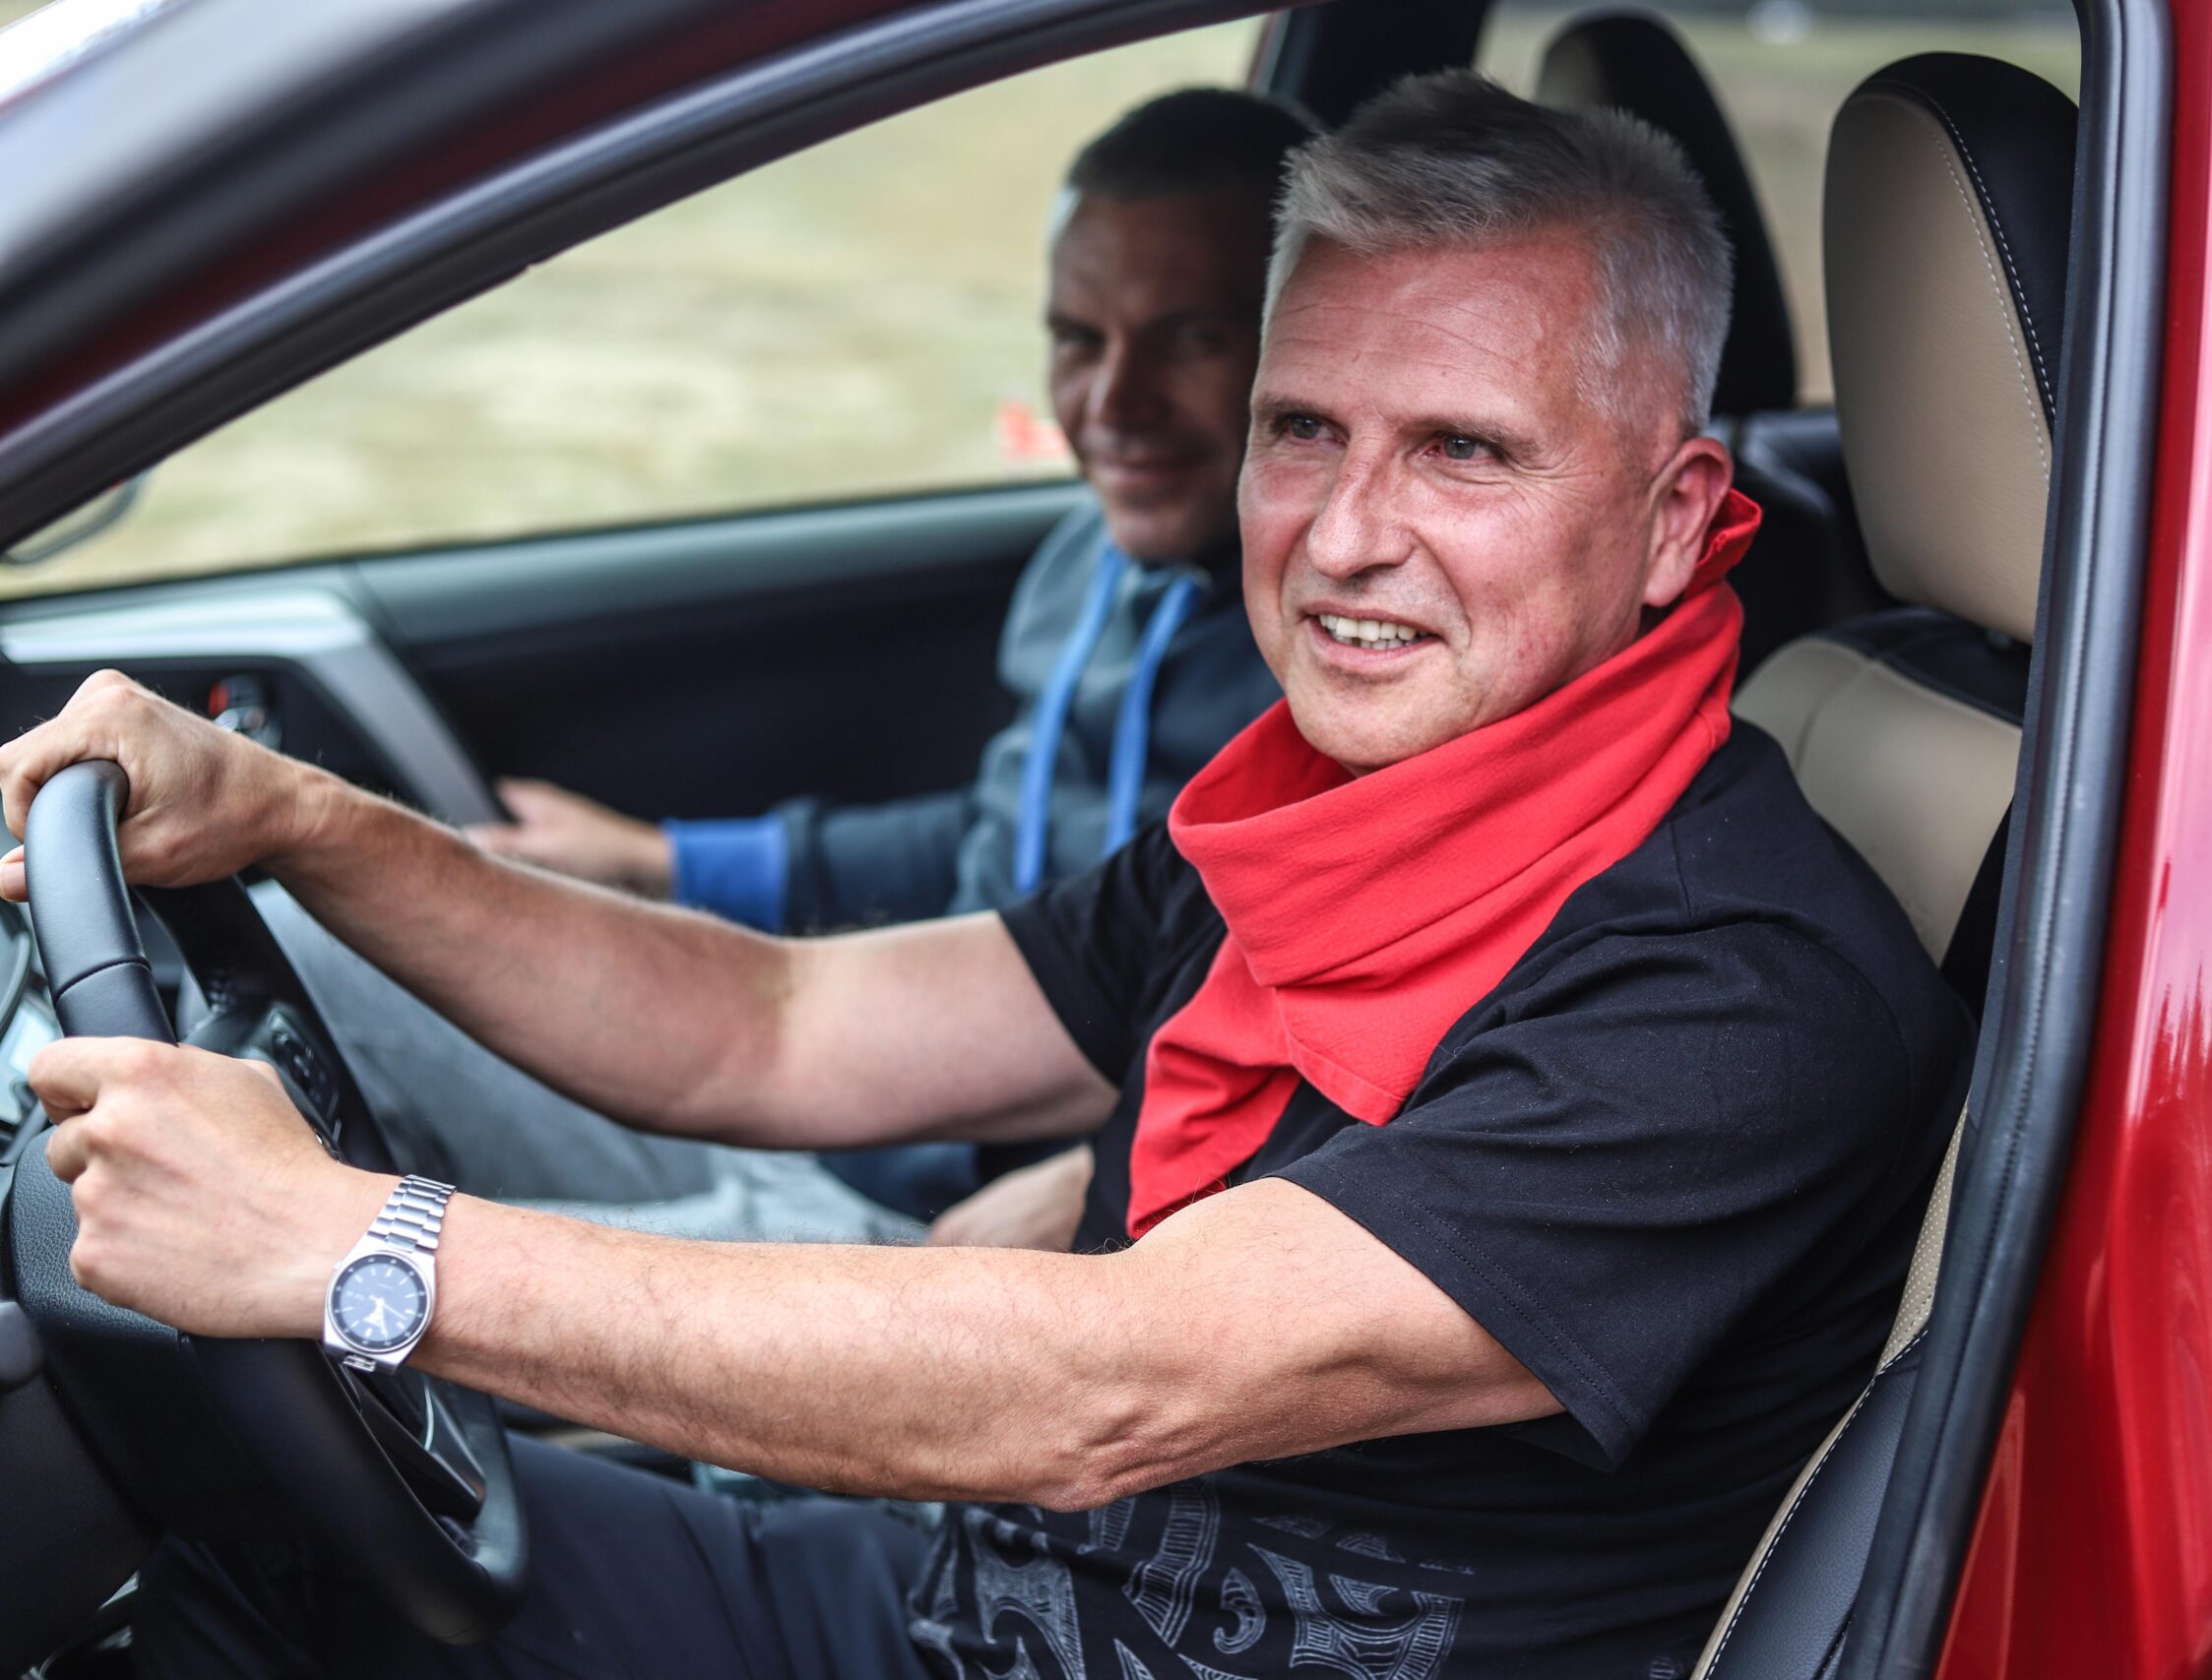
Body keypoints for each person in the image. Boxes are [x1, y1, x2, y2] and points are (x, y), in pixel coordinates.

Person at [6, 73, 1972, 1678]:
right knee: (241, 1530)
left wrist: (353, 1242)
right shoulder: (1313, 818)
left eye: (1462, 452)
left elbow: (1114, 1381)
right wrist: (298, 817)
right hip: (974, 1584)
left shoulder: (1736, 989)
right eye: (1302, 429)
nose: (1342, 537)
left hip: (1027, 1545)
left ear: (1672, 521)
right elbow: (778, 1026)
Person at [291, 87, 1307, 1248]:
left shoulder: (1332, 666)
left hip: (993, 1232)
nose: (1113, 403)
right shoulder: (1086, 564)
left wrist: (1103, 1172)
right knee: (320, 943)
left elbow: (1349, 1005)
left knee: (345, 1260)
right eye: (1078, 340)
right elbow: (999, 831)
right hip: (858, 1117)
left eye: (1191, 337)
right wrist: (665, 862)